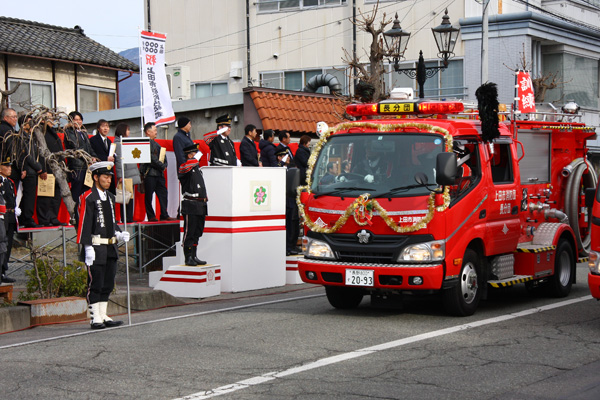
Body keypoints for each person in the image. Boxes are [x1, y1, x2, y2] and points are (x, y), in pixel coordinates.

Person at [77, 161, 130, 329]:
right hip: (95, 245)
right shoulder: (88, 197)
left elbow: (111, 221)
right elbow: (84, 223)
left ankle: (103, 313)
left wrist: (119, 232)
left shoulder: (110, 197)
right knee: (96, 282)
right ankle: (94, 317)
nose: (109, 180)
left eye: (109, 177)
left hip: (110, 246)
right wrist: (87, 247)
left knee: (108, 282)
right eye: (105, 177)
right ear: (95, 177)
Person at [178, 144, 208, 266]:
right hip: (191, 204)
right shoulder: (185, 167)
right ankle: (187, 256)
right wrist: (194, 159)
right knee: (189, 232)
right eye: (195, 153)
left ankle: (194, 255)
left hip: (201, 204)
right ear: (190, 155)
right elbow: (186, 167)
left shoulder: (197, 168)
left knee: (197, 232)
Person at [140, 122, 175, 222]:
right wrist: (162, 165)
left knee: (163, 194)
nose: (156, 132)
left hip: (159, 173)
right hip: (149, 173)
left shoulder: (157, 144)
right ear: (148, 132)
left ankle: (164, 213)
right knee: (149, 196)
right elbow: (150, 158)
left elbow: (163, 158)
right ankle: (151, 215)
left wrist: (164, 165)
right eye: (154, 130)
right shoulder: (145, 143)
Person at [36, 114, 65, 226]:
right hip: (46, 167)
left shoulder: (53, 132)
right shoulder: (39, 132)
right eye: (48, 118)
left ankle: (53, 217)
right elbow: (39, 152)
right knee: (45, 196)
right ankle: (44, 219)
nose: (52, 120)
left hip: (57, 167)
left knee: (56, 195)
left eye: (52, 118)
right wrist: (42, 168)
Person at [64, 111, 98, 207]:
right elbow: (75, 147)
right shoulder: (69, 132)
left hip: (86, 166)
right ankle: (74, 214)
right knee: (76, 191)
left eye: (80, 120)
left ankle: (83, 212)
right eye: (75, 120)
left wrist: (94, 157)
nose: (78, 122)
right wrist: (88, 158)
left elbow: (89, 148)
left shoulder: (83, 133)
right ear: (70, 121)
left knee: (86, 191)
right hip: (77, 167)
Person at [17, 115, 46, 228]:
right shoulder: (20, 137)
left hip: (33, 170)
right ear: (24, 124)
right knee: (28, 196)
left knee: (30, 196)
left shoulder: (31, 137)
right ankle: (27, 219)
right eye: (30, 122)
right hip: (28, 170)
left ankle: (26, 218)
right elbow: (27, 155)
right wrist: (38, 167)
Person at [114, 123, 141, 223]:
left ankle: (129, 218)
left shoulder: (126, 142)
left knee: (130, 197)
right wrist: (120, 175)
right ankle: (126, 218)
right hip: (126, 174)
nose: (129, 132)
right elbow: (119, 161)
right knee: (125, 198)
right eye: (127, 130)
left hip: (130, 173)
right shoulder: (119, 144)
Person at [0, 156, 18, 283]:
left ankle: (3, 271)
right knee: (1, 245)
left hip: (10, 217)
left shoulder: (10, 182)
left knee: (8, 245)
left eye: (10, 166)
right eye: (6, 166)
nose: (9, 168)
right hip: (2, 217)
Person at [89, 119, 115, 194]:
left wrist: (113, 158)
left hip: (109, 169)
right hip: (99, 170)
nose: (105, 128)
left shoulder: (109, 141)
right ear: (98, 128)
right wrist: (106, 158)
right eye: (103, 126)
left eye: (107, 126)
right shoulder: (93, 140)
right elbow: (93, 154)